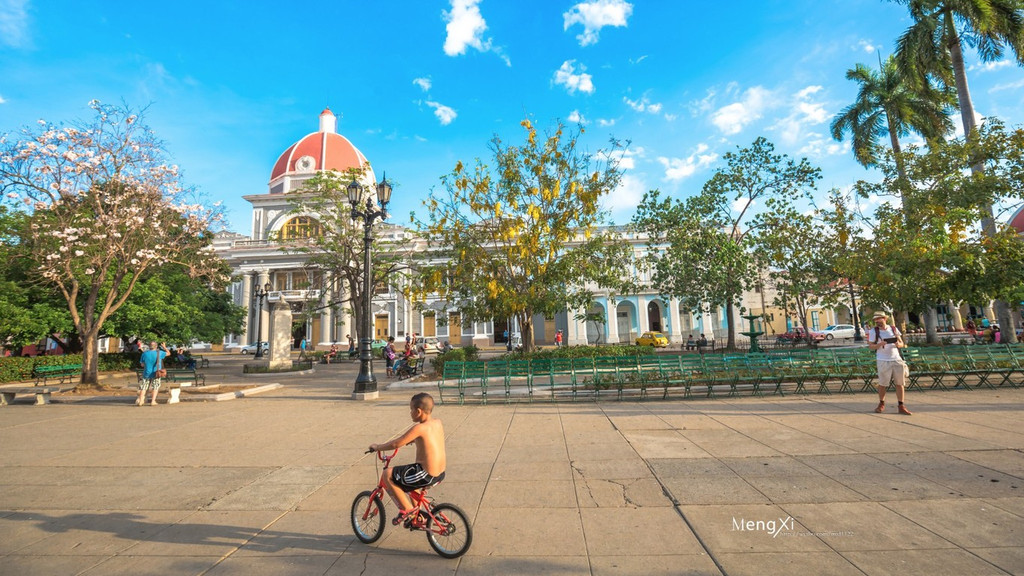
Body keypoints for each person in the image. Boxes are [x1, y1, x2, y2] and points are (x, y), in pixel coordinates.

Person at [369, 392, 446, 527]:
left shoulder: (419, 428)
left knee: (388, 474)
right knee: (408, 479)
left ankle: (407, 510)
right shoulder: (437, 422)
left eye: (411, 409)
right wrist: (415, 440)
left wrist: (378, 447)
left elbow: (396, 444)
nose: (410, 412)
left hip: (426, 474)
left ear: (418, 411)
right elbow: (429, 439)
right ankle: (417, 516)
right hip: (440, 473)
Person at [866, 311, 911, 415]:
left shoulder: (893, 329)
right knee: (883, 383)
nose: (877, 321)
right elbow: (871, 346)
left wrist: (898, 344)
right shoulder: (874, 331)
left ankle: (901, 405)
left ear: (884, 319)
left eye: (879, 319)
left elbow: (901, 343)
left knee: (900, 383)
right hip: (883, 359)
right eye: (875, 320)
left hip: (896, 359)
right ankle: (881, 403)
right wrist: (880, 344)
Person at [137, 341, 168, 406]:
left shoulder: (144, 354)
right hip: (156, 373)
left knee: (143, 388)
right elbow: (168, 353)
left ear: (149, 346)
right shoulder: (160, 353)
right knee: (155, 387)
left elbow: (142, 364)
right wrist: (164, 347)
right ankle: (153, 401)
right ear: (156, 346)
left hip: (146, 373)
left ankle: (141, 401)